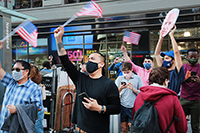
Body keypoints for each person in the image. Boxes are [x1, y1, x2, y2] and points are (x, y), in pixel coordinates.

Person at [54, 26, 120, 133]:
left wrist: (99, 108)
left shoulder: (109, 84)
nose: (89, 62)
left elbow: (117, 108)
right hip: (78, 129)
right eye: (88, 59)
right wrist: (58, 40)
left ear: (101, 64)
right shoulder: (80, 78)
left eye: (93, 59)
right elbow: (65, 60)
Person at [0, 41, 43, 133]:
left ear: (26, 71)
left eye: (18, 69)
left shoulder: (34, 88)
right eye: (13, 69)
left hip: (18, 129)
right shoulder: (11, 82)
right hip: (3, 127)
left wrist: (17, 109)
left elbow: (38, 107)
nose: (14, 71)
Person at [132, 67, 188, 133]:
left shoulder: (140, 95)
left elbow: (134, 117)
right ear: (166, 81)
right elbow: (182, 126)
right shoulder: (172, 98)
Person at [154, 26, 184, 94]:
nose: (164, 60)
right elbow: (157, 54)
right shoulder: (163, 70)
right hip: (162, 97)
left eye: (167, 58)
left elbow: (176, 53)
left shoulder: (177, 71)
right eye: (164, 58)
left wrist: (171, 36)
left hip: (173, 98)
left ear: (173, 60)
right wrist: (161, 38)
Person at [115, 62, 143, 133]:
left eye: (128, 72)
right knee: (124, 128)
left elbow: (142, 93)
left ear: (132, 70)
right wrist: (120, 88)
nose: (126, 74)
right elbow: (114, 93)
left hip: (133, 106)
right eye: (124, 72)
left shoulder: (137, 78)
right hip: (122, 106)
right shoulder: (119, 79)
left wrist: (133, 89)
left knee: (132, 127)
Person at [180, 48, 200, 133]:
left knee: (195, 125)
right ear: (187, 57)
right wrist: (186, 80)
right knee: (180, 123)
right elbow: (178, 82)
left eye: (195, 57)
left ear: (198, 57)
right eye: (191, 56)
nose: (193, 58)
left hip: (197, 100)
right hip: (184, 99)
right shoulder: (183, 68)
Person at [29, 65, 46, 133]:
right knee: (38, 128)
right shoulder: (39, 86)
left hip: (32, 111)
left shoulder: (31, 87)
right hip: (38, 110)